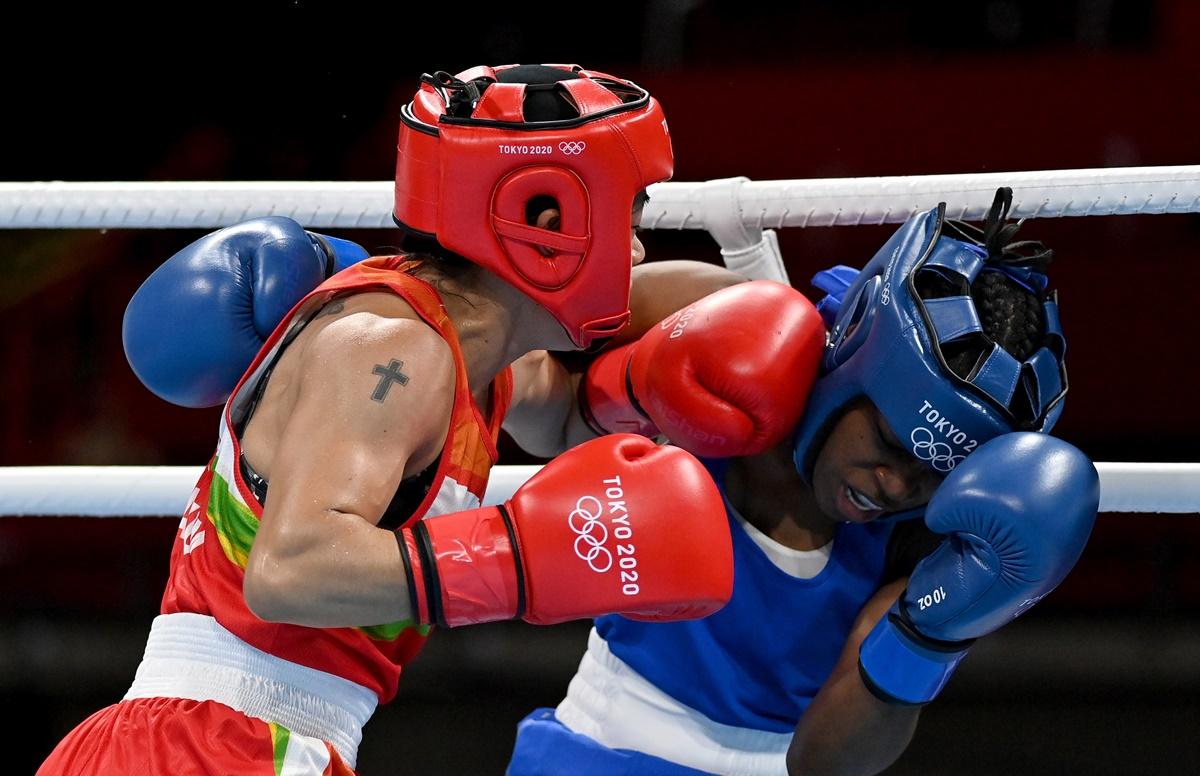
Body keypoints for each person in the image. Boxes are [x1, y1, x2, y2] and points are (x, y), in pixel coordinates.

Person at [39, 64, 827, 775]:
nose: (636, 242)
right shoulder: (391, 350)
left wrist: (677, 370)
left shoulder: (480, 357)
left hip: (253, 741)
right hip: (211, 746)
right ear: (545, 217)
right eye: (627, 212)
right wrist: (518, 561)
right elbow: (292, 569)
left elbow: (563, 417)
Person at [504, 189, 1102, 775]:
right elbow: (520, 352)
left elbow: (826, 762)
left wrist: (932, 636)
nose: (897, 486)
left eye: (937, 471)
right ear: (853, 363)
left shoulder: (936, 528)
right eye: (890, 444)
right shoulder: (725, 322)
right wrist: (622, 391)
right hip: (597, 745)